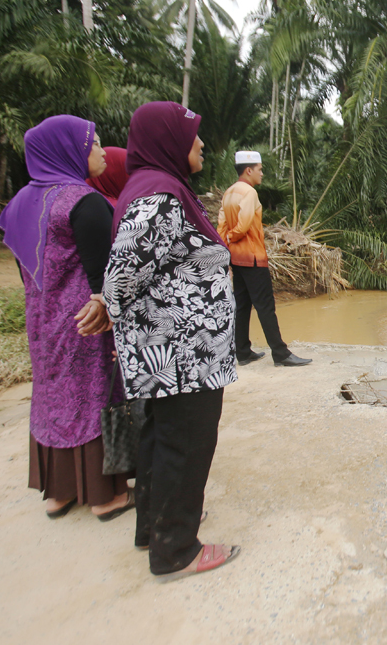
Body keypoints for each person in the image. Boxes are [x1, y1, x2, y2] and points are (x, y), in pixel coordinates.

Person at [103, 101, 240, 582]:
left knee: (163, 439)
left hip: (176, 351)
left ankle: (154, 527)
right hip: (184, 353)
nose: (200, 143)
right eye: (191, 135)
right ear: (168, 142)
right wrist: (108, 305)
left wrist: (112, 307)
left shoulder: (158, 190)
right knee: (187, 443)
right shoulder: (159, 197)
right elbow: (122, 276)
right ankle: (176, 550)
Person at [0, 115, 133, 522]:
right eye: (92, 144)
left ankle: (59, 491)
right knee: (93, 394)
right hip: (87, 321)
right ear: (67, 150)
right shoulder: (82, 200)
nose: (100, 151)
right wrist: (105, 304)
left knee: (53, 396)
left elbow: (25, 269)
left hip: (42, 321)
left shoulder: (21, 202)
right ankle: (105, 496)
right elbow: (104, 273)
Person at [218, 151, 310, 367]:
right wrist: (233, 236)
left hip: (236, 258)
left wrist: (226, 244)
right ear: (248, 170)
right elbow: (244, 225)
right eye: (260, 169)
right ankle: (280, 353)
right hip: (252, 258)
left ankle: (242, 351)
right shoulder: (249, 193)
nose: (262, 173)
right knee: (265, 305)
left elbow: (221, 225)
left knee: (241, 305)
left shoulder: (229, 192)